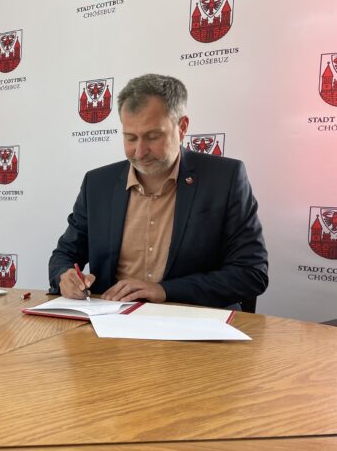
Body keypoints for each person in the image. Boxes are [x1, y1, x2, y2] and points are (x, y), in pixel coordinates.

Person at [49, 74, 268, 309]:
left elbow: (251, 273)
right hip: (110, 324)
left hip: (194, 325)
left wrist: (164, 291)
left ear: (182, 128)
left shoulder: (225, 179)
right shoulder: (98, 183)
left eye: (153, 137)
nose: (140, 151)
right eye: (130, 138)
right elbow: (65, 254)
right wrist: (65, 276)